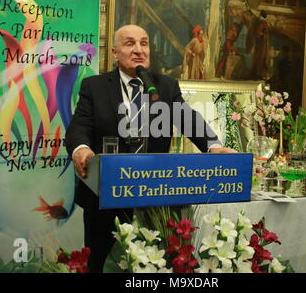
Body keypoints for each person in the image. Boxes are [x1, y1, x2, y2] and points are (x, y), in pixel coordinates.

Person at [65, 24, 235, 272]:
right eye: (129, 43)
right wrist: (81, 148)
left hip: (154, 196)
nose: (138, 50)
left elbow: (187, 117)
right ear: (114, 52)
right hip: (105, 198)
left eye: (144, 43)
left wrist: (213, 146)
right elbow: (79, 126)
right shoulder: (95, 86)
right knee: (100, 264)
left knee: (157, 267)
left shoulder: (164, 86)